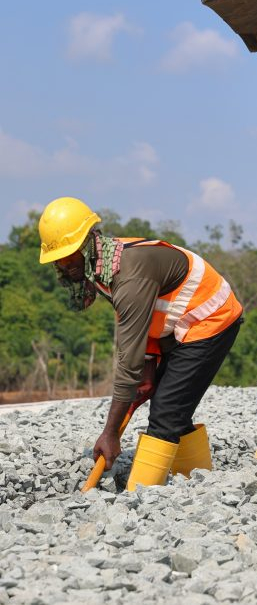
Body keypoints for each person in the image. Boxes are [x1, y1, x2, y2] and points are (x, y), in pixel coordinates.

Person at [38, 197, 243, 491]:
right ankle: (198, 480)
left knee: (166, 411)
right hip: (177, 326)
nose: (61, 263)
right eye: (56, 257)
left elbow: (127, 361)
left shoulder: (127, 275)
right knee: (170, 401)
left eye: (67, 254)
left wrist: (110, 433)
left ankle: (140, 497)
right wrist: (148, 371)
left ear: (85, 245)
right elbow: (142, 324)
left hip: (210, 318)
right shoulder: (104, 266)